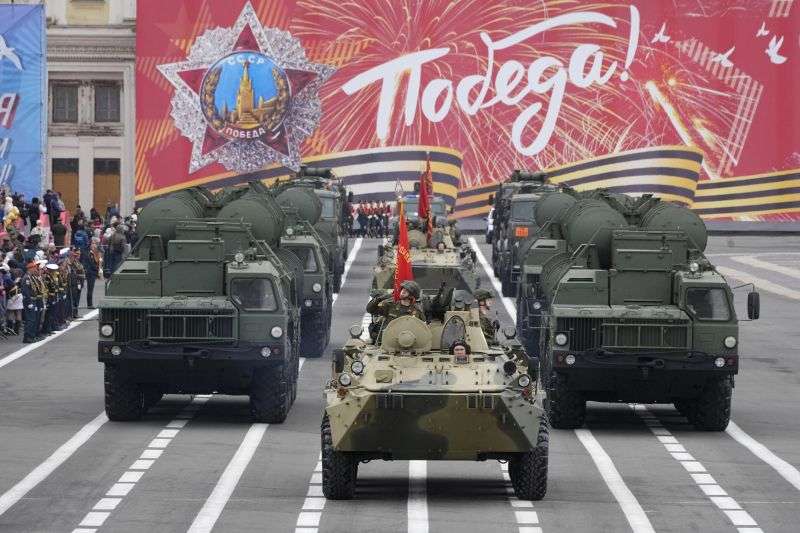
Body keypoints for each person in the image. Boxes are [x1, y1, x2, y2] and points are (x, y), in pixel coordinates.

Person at [21, 260, 39, 343]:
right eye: (34, 268)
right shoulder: (26, 278)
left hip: (33, 300)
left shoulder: (30, 277)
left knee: (33, 319)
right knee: (30, 319)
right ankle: (27, 337)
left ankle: (31, 336)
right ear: (30, 269)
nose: (35, 269)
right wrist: (29, 302)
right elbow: (26, 291)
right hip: (29, 301)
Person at [81, 239, 101, 308]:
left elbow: (98, 261)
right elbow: (90, 264)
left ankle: (90, 304)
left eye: (96, 244)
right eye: (94, 243)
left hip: (93, 272)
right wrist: (95, 269)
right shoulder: (88, 253)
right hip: (90, 273)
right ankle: (89, 304)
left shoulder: (95, 252)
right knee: (90, 289)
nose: (95, 245)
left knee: (91, 289)